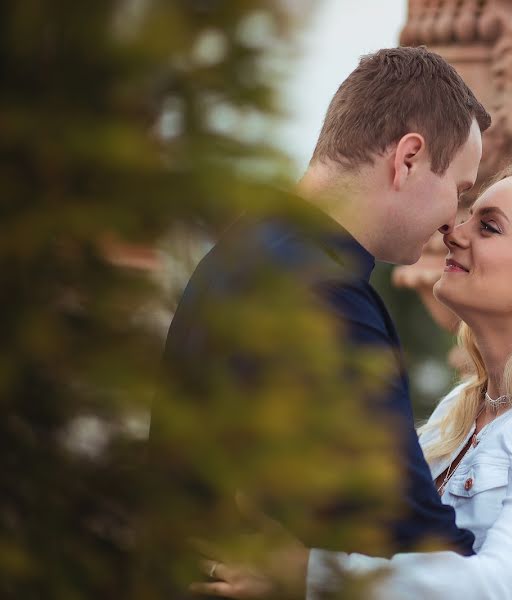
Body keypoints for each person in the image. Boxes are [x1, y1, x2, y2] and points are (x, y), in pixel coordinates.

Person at [193, 156, 512, 600]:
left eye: (488, 227)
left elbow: (503, 588)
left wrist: (308, 571)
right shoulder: (460, 409)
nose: (453, 234)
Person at [157, 45, 491, 562]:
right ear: (408, 159)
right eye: (460, 188)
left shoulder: (244, 250)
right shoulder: (328, 297)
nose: (454, 221)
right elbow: (413, 544)